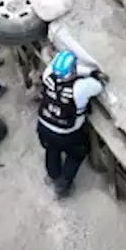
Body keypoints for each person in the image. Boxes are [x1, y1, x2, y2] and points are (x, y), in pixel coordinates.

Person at [37, 50, 105, 199]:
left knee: (51, 149)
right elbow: (98, 86)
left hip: (44, 125)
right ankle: (62, 186)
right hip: (67, 133)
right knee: (76, 154)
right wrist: (90, 73)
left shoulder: (48, 74)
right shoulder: (79, 88)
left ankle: (53, 175)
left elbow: (57, 64)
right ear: (73, 70)